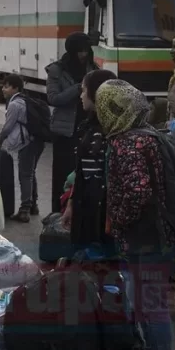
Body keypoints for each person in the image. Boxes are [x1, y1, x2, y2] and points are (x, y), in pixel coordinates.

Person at [95, 79, 175, 350]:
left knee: (152, 306)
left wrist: (120, 219)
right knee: (144, 304)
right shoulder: (147, 135)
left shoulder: (125, 144)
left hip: (146, 239)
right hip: (156, 234)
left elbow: (138, 191)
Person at [61, 69, 117, 251]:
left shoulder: (109, 132)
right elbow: (82, 174)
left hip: (100, 217)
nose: (81, 96)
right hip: (85, 208)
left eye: (84, 90)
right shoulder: (89, 127)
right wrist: (71, 203)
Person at [46, 32, 97, 217]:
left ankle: (79, 212)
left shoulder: (92, 67)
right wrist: (77, 88)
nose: (84, 55)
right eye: (80, 51)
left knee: (83, 174)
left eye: (86, 50)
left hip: (87, 128)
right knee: (62, 175)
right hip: (65, 131)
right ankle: (57, 214)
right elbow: (53, 98)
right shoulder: (57, 70)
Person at [0, 73, 45, 223]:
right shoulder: (24, 100)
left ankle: (24, 210)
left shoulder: (15, 104)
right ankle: (33, 205)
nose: (3, 89)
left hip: (27, 143)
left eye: (7, 86)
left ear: (16, 88)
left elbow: (8, 127)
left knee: (25, 175)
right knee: (30, 172)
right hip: (37, 141)